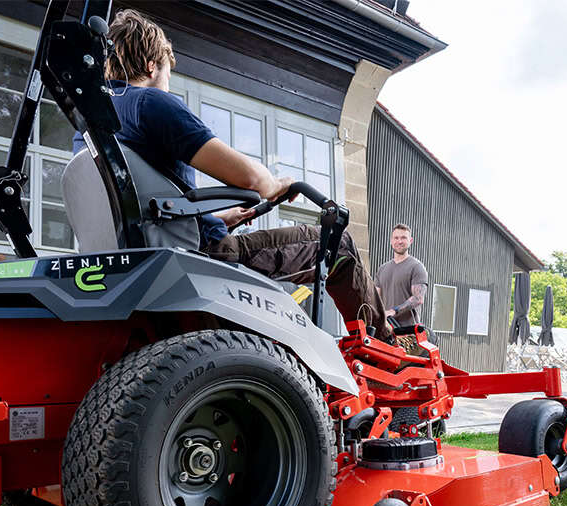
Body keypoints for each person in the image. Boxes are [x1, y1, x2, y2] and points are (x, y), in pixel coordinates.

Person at [87, 10, 388, 337]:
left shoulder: (95, 121)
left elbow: (142, 206)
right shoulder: (150, 103)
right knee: (339, 244)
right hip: (209, 257)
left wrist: (223, 217)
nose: (167, 83)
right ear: (151, 65)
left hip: (149, 259)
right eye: (168, 73)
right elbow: (253, 181)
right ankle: (383, 348)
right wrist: (279, 184)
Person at [375, 224, 428, 349]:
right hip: (386, 333)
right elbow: (375, 299)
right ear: (391, 241)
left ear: (410, 241)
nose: (399, 241)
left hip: (408, 335)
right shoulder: (382, 269)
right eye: (396, 238)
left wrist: (394, 311)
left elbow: (418, 298)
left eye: (403, 238)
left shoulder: (416, 267)